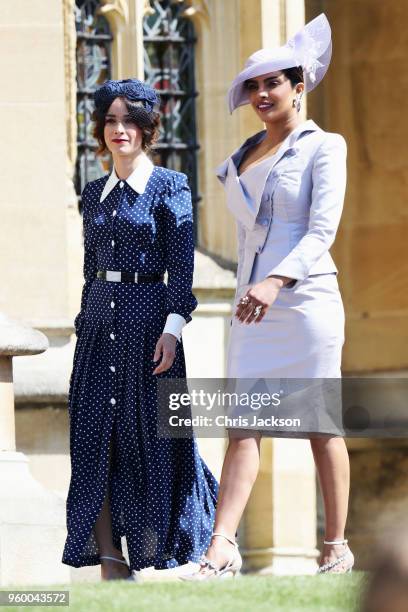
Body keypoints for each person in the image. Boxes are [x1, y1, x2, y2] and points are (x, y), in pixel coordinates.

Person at [184, 13, 353, 580]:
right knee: (242, 424)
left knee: (320, 424)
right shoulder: (242, 158)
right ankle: (221, 549)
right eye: (253, 85)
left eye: (272, 82)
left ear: (298, 85)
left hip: (305, 302)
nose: (260, 93)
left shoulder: (325, 147)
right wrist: (251, 289)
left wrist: (276, 280)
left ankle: (334, 547)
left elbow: (321, 232)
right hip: (251, 307)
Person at [61, 78, 218, 580]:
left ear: (148, 128)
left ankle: (191, 544)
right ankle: (110, 558)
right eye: (110, 120)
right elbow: (92, 269)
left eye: (130, 120)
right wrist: (88, 321)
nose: (119, 129)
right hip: (97, 327)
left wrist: (172, 328)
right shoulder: (93, 194)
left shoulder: (170, 187)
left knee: (155, 441)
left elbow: (181, 268)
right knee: (92, 441)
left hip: (151, 329)